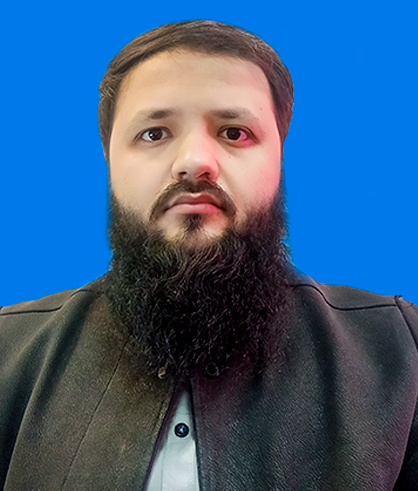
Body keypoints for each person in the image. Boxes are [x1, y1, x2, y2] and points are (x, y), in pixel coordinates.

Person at [0, 20, 417, 491]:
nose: (195, 161)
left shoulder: (403, 352)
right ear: (109, 160)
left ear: (280, 159)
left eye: (234, 132)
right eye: (155, 133)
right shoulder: (5, 352)